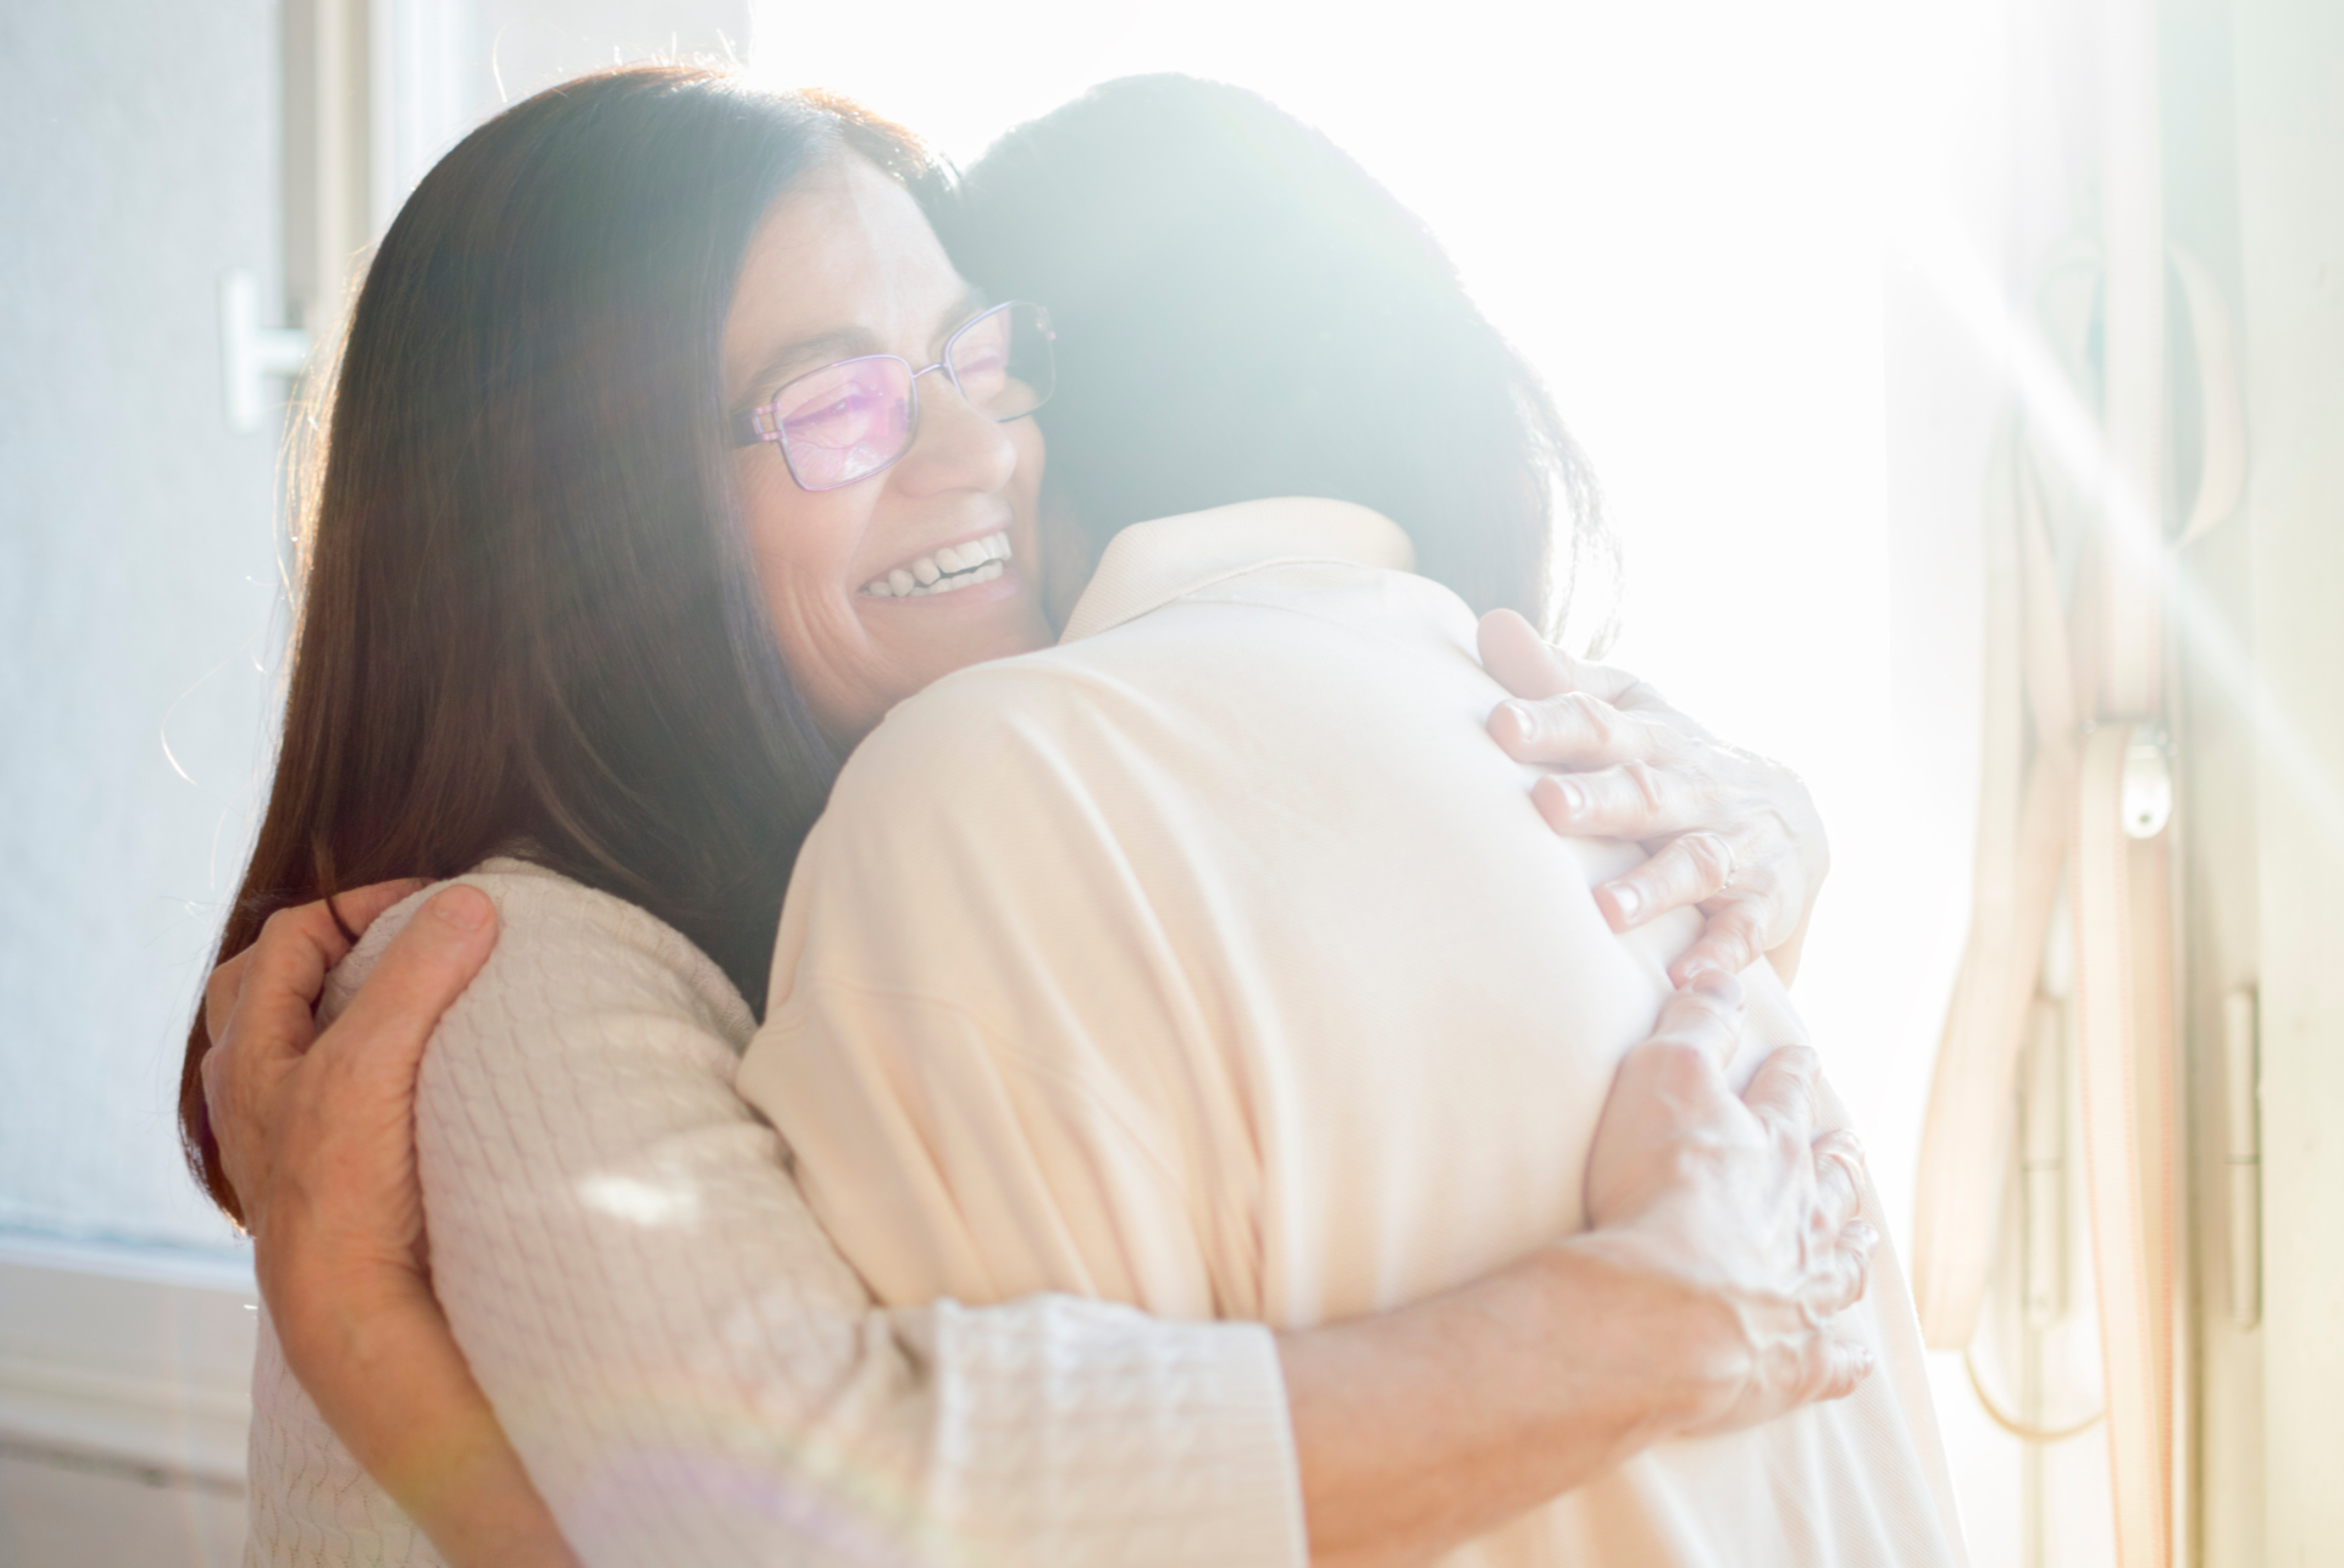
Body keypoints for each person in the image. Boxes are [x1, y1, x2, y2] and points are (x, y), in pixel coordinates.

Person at [188, 65, 1872, 1568]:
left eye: (968, 352)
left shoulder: (884, 879)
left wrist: (1762, 837)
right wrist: (1663, 1324)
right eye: (833, 402)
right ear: (582, 539)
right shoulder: (495, 970)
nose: (972, 447)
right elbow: (801, 1530)